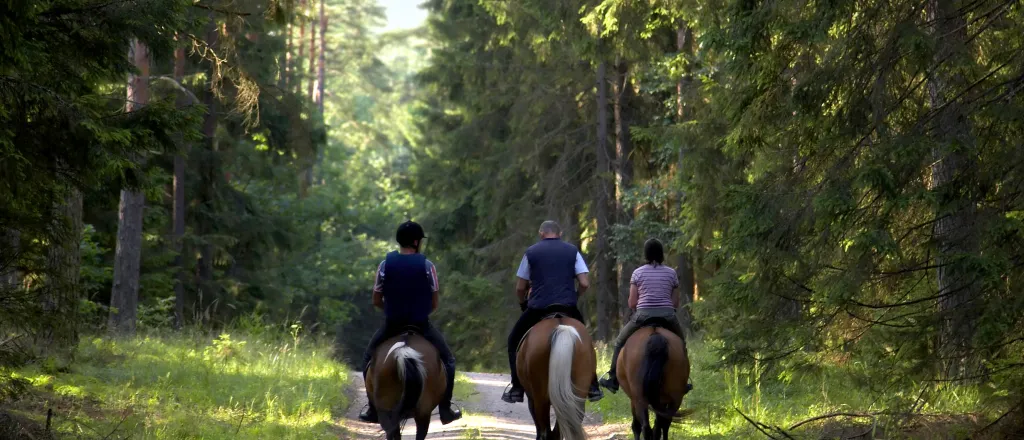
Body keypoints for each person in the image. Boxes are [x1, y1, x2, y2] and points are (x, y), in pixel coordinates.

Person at [358, 221, 462, 425]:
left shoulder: (384, 265)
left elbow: (376, 299)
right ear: (416, 242)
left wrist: (390, 311)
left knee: (367, 359)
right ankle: (445, 408)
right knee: (448, 360)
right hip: (420, 324)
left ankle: (372, 408)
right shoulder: (427, 265)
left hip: (392, 324)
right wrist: (421, 313)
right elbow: (434, 302)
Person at [501, 220, 604, 404]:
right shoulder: (572, 251)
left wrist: (523, 303)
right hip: (567, 307)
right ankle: (593, 386)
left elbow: (520, 287)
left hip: (538, 308)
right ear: (560, 233)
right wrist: (574, 296)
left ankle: (517, 387)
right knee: (586, 342)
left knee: (513, 340)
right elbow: (584, 283)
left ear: (541, 233)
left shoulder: (531, 252)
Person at [598, 238, 687, 393]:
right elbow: (675, 303)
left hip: (643, 315)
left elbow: (632, 303)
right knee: (682, 342)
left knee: (619, 341)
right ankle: (683, 381)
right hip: (667, 315)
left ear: (645, 254)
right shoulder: (671, 273)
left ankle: (613, 379)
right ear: (661, 254)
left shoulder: (638, 273)